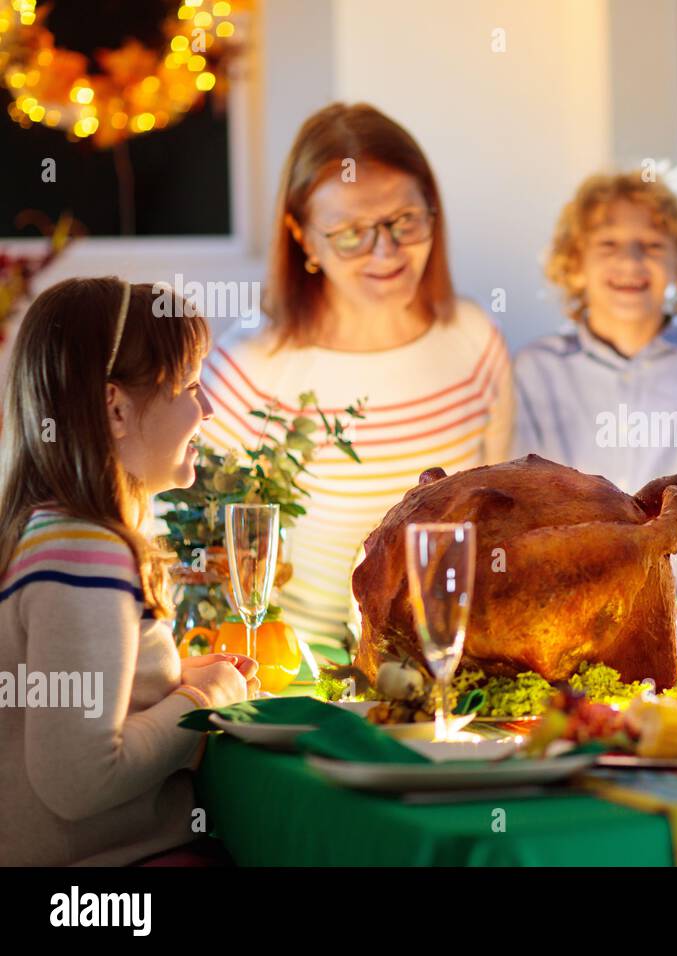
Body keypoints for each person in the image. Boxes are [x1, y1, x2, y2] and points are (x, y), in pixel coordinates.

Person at [201, 104, 513, 663]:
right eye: (350, 233)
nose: (386, 252)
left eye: (405, 221)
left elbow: (501, 520)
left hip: (455, 661)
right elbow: (206, 555)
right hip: (303, 674)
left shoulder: (473, 341)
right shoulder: (251, 368)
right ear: (303, 238)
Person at [0, 277, 256, 866]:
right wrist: (204, 697)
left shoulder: (50, 534)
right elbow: (79, 779)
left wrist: (165, 682)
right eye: (191, 385)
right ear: (116, 408)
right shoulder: (84, 552)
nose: (208, 407)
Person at [512, 165, 677, 653]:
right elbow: (527, 512)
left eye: (652, 246)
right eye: (608, 245)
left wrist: (649, 593)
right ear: (575, 264)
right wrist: (590, 595)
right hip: (570, 627)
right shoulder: (535, 370)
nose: (630, 261)